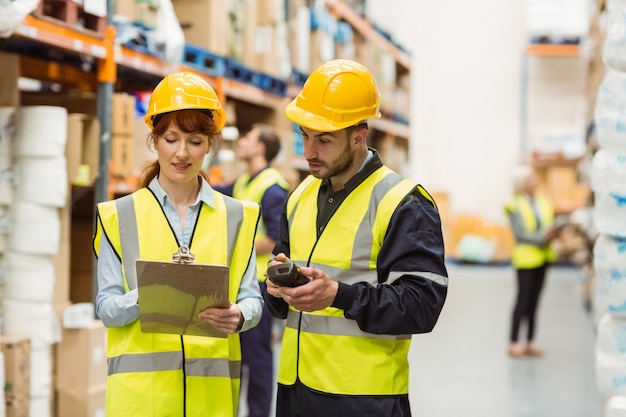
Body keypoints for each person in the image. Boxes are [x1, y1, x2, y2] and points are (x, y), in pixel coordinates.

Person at [262, 59, 449, 417]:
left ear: (359, 136)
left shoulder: (402, 202)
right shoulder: (299, 196)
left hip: (364, 399)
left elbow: (423, 305)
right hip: (295, 392)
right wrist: (276, 290)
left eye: (324, 139)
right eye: (305, 135)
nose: (310, 152)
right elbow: (281, 298)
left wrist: (339, 295)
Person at [92, 71, 263, 417]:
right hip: (141, 403)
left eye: (195, 141)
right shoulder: (118, 215)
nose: (182, 153)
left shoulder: (237, 216)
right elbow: (106, 308)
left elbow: (251, 297)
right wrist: (149, 296)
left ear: (210, 145)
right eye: (171, 139)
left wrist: (240, 315)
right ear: (155, 141)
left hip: (210, 401)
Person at [213, 123, 289, 417]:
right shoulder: (245, 181)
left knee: (257, 358)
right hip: (240, 280)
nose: (242, 142)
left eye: (247, 137)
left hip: (258, 284)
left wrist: (236, 247)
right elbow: (220, 193)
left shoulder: (272, 188)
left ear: (260, 148)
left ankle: (258, 413)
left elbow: (273, 239)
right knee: (238, 356)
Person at [505, 164, 560, 358]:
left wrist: (554, 231)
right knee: (523, 300)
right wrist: (543, 237)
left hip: (544, 257)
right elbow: (521, 234)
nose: (535, 182)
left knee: (535, 301)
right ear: (522, 183)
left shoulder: (543, 201)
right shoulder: (513, 204)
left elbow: (548, 224)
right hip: (526, 259)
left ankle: (530, 342)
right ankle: (513, 343)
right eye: (530, 179)